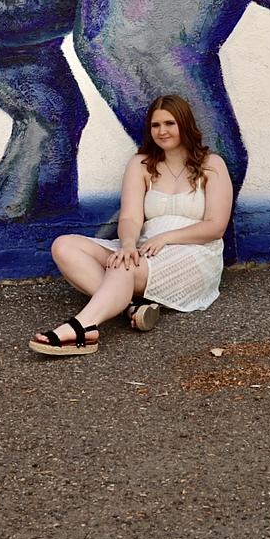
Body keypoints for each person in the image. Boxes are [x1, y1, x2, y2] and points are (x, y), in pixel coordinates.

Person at [30, 94, 233, 356]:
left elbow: (216, 227)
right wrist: (127, 244)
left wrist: (165, 238)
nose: (162, 131)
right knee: (65, 246)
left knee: (123, 267)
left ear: (185, 124)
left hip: (193, 252)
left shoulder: (211, 165)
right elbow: (130, 218)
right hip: (146, 247)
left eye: (169, 123)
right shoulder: (141, 165)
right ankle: (130, 308)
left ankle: (83, 327)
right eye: (155, 125)